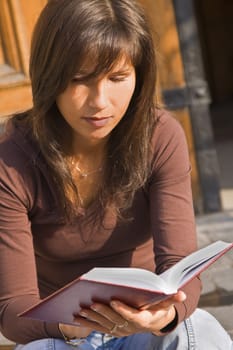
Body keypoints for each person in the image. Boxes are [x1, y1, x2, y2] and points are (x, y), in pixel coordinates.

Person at [0, 0, 232, 349]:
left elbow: (182, 270)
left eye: (118, 77)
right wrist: (76, 327)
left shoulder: (160, 136)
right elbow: (12, 310)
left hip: (143, 324)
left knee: (199, 329)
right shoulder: (12, 160)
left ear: (139, 76)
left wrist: (164, 316)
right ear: (50, 76)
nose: (100, 101)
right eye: (80, 80)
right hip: (64, 334)